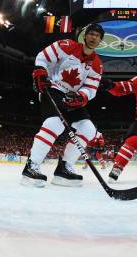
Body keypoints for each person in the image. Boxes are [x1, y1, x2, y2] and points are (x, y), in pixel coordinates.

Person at [21, 23, 104, 187]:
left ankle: (64, 169)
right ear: (85, 36)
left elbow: (91, 88)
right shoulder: (66, 45)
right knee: (55, 123)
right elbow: (42, 57)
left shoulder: (97, 64)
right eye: (92, 34)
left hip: (72, 97)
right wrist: (40, 71)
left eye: (98, 36)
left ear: (100, 41)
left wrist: (81, 96)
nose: (94, 37)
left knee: (88, 129)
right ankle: (31, 166)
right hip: (53, 89)